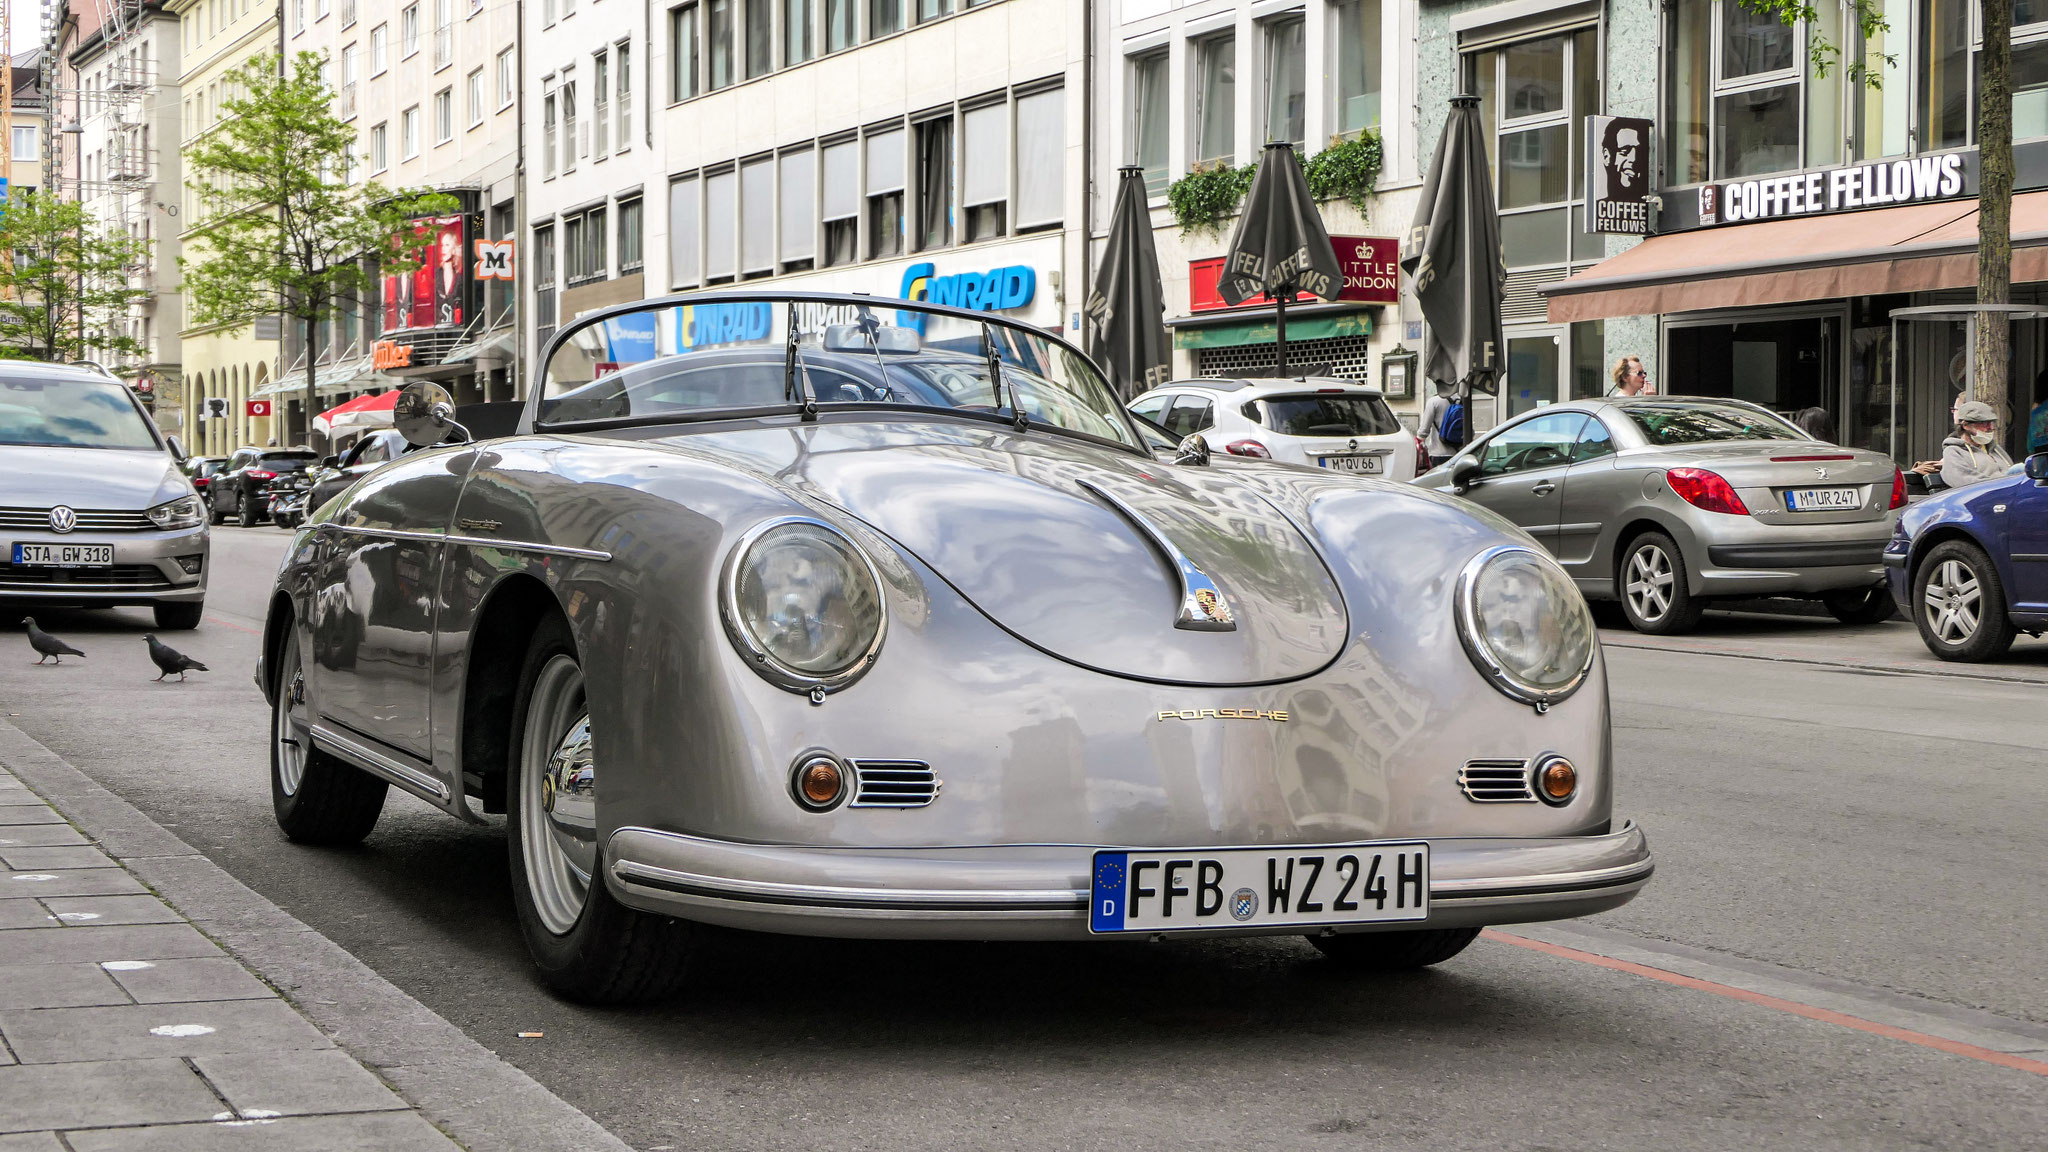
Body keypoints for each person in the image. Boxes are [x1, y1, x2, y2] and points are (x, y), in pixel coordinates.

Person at [1937, 400, 2014, 489]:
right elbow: (1961, 479)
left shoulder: (1996, 449)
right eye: (1984, 423)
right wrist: (2000, 486)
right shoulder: (1954, 451)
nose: (1990, 428)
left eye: (1991, 423)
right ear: (1965, 425)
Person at [1420, 384, 1461, 469]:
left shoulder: (1434, 401)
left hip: (1438, 453)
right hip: (1458, 453)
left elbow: (1423, 431)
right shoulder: (1461, 400)